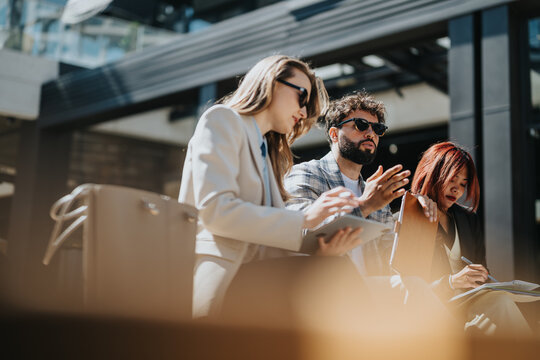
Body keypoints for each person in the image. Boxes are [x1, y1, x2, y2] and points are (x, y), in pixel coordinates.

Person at [178, 55, 364, 318]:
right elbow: (215, 211)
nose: (302, 112)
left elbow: (269, 236)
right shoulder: (222, 119)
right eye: (302, 97)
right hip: (225, 275)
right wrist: (304, 218)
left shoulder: (268, 154)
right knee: (337, 276)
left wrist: (318, 251)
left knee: (333, 270)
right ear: (271, 83)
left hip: (256, 277)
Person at [285, 91, 437, 275]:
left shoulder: (375, 194)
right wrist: (364, 206)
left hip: (369, 297)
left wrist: (416, 221)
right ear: (334, 134)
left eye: (377, 129)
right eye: (361, 125)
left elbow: (391, 259)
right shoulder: (307, 174)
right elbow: (299, 235)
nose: (370, 133)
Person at [411, 141, 531, 335]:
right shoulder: (409, 218)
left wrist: (482, 278)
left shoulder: (468, 220)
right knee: (501, 307)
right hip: (433, 314)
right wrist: (451, 282)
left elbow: (481, 269)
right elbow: (407, 288)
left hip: (470, 310)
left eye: (463, 184)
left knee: (502, 302)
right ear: (433, 173)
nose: (457, 189)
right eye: (452, 179)